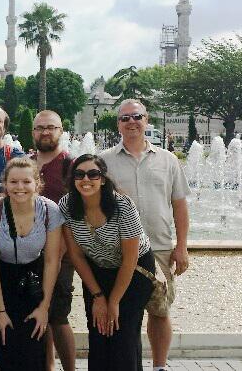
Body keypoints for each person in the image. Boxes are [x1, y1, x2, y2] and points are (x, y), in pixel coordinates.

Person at [100, 99, 190, 371]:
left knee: (159, 311)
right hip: (118, 251)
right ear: (118, 124)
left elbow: (179, 205)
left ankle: (159, 366)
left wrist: (182, 246)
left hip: (160, 247)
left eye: (136, 116)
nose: (131, 122)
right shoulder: (103, 161)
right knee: (125, 313)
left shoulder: (168, 159)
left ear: (146, 120)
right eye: (125, 118)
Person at [60, 154, 154, 370]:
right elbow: (76, 256)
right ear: (73, 179)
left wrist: (114, 302)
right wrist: (99, 297)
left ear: (103, 179)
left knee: (124, 334)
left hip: (134, 271)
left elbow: (130, 258)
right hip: (97, 270)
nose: (86, 179)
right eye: (79, 174)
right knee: (99, 331)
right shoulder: (67, 205)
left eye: (93, 174)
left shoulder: (122, 205)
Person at [0, 157, 62, 371]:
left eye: (26, 182)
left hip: (34, 278)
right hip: (1, 280)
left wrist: (45, 307)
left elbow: (52, 260)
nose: (20, 188)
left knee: (34, 344)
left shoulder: (49, 210)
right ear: (5, 183)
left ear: (36, 183)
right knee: (4, 342)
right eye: (13, 182)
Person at [30, 110, 75, 371]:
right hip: (30, 253)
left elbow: (76, 215)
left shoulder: (71, 165)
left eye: (51, 127)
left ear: (61, 130)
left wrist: (62, 253)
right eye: (39, 128)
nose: (45, 132)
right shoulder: (26, 162)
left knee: (58, 316)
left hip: (60, 254)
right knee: (39, 314)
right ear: (33, 132)